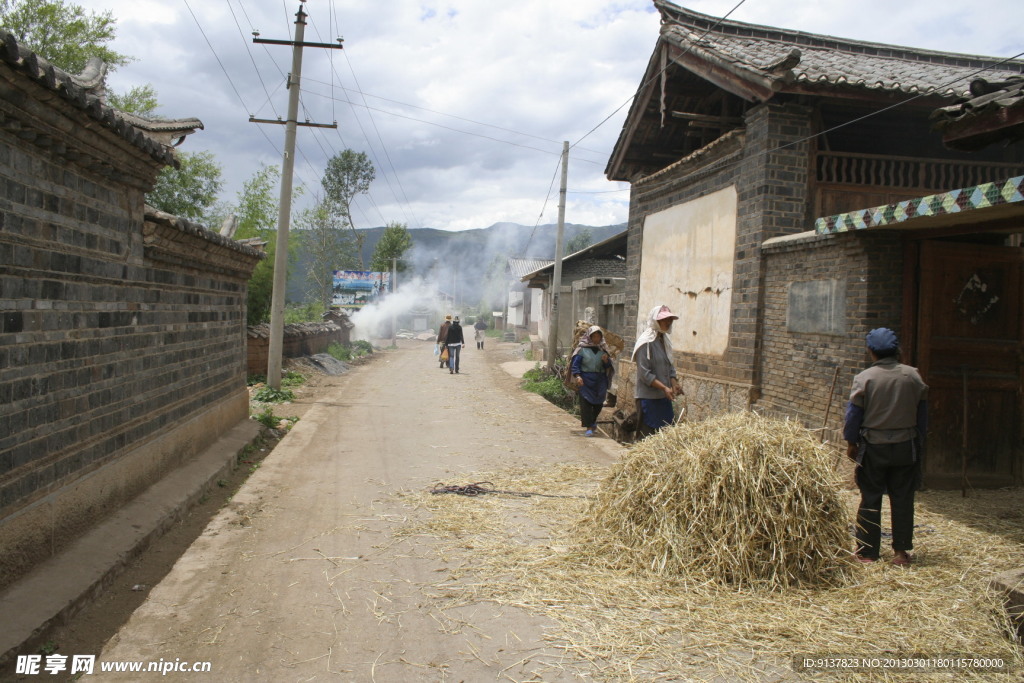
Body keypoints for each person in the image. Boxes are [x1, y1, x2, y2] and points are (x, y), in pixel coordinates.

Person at [844, 328, 928, 566]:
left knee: (870, 498)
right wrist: (919, 441)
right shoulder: (913, 376)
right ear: (896, 350)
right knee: (902, 498)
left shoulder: (865, 378)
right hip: (905, 446)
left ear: (870, 351)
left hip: (874, 447)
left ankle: (867, 552)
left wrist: (851, 443)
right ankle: (901, 553)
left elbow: (853, 417)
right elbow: (922, 416)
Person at [631, 305, 682, 437]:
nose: (668, 323)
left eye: (669, 320)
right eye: (664, 320)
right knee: (647, 436)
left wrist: (674, 383)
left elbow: (669, 366)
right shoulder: (645, 343)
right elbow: (645, 374)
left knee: (666, 435)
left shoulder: (664, 341)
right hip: (648, 398)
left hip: (663, 398)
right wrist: (664, 388)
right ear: (655, 321)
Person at [571, 325, 614, 437]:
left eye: (598, 336)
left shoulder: (603, 350)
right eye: (593, 336)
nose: (596, 338)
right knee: (586, 404)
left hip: (600, 380)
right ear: (589, 337)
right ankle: (589, 427)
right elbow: (575, 365)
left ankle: (593, 421)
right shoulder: (581, 349)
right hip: (585, 380)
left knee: (599, 403)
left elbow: (609, 366)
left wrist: (606, 361)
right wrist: (578, 376)